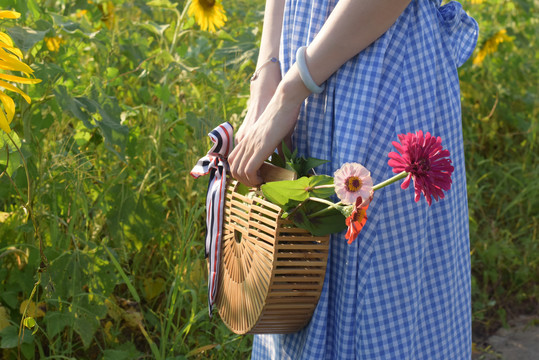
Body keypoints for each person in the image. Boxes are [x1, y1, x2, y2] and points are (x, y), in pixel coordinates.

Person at [228, 0, 478, 358]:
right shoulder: (285, 84)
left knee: (375, 302)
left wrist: (290, 90)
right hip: (299, 63)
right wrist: (267, 73)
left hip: (378, 63)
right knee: (295, 270)